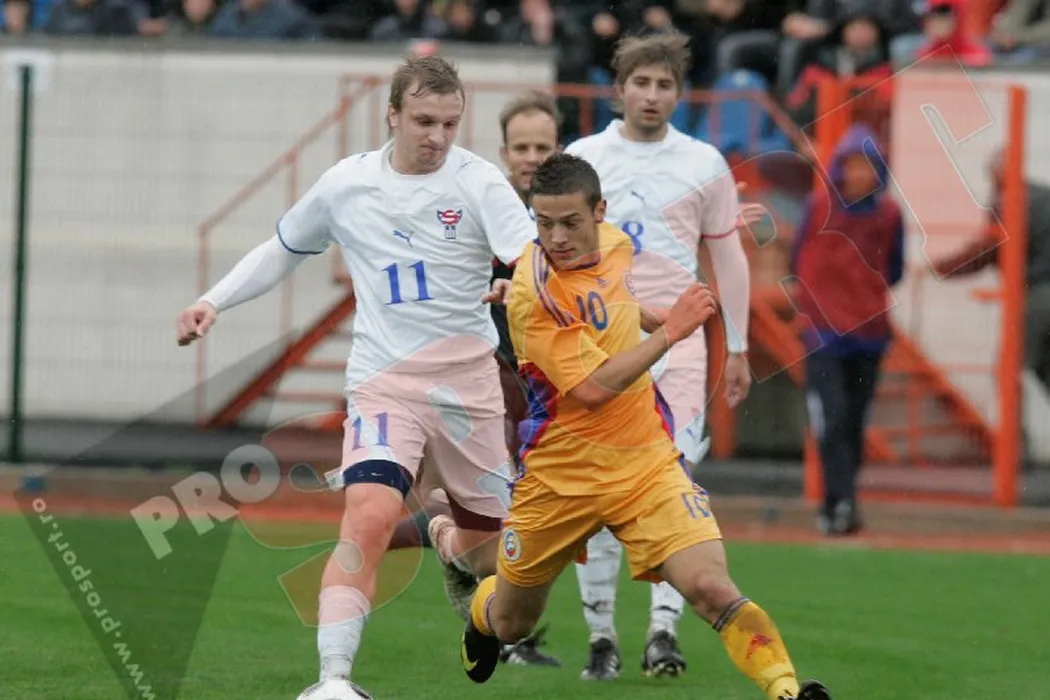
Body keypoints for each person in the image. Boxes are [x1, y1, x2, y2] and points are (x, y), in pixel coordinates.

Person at [176, 56, 535, 700]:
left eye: (449, 123)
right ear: (392, 115)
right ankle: (333, 681)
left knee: (499, 564)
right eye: (423, 121)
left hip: (469, 389)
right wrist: (213, 300)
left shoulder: (479, 182)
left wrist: (522, 284)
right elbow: (282, 249)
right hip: (383, 382)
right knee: (368, 519)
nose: (437, 136)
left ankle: (447, 539)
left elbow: (533, 258)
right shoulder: (347, 184)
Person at [454, 153, 833, 700]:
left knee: (710, 586)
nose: (556, 238)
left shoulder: (615, 244)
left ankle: (787, 690)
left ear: (600, 213)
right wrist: (671, 331)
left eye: (570, 222)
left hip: (645, 463)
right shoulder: (533, 295)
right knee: (513, 623)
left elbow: (614, 303)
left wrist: (655, 311)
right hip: (560, 478)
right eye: (544, 223)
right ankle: (480, 609)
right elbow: (591, 388)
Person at [562, 31, 753, 679]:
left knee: (675, 483)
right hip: (602, 343)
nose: (651, 95)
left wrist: (739, 346)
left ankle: (663, 632)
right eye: (640, 83)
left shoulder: (703, 162)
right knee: (600, 490)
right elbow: (553, 252)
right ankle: (600, 637)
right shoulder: (583, 158)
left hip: (680, 346)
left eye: (664, 84)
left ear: (680, 93)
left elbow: (728, 257)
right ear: (618, 89)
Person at [385, 89, 565, 668]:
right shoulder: (477, 202)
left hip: (552, 379)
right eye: (522, 147)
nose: (532, 157)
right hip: (486, 372)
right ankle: (504, 627)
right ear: (504, 152)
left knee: (543, 507)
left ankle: (436, 540)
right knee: (502, 505)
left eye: (542, 147)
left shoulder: (570, 212)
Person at [791, 123, 904, 536]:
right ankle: (840, 503)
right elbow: (797, 258)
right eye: (852, 165)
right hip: (823, 334)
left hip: (869, 334)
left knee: (854, 422)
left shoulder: (889, 215)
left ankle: (841, 501)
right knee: (833, 417)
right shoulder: (819, 207)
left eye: (867, 166)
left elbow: (894, 268)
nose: (859, 174)